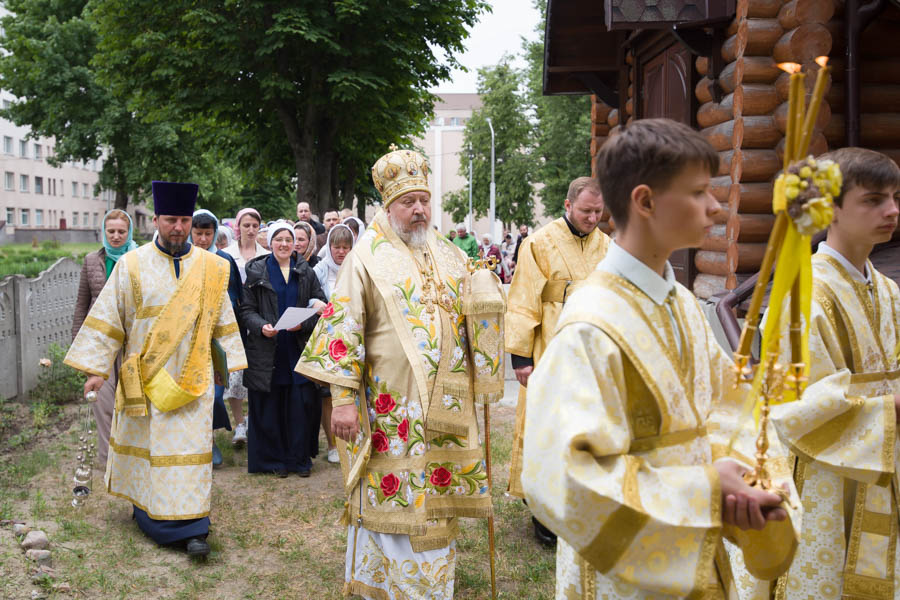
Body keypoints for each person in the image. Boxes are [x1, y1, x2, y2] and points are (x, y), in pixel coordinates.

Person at [522, 119, 798, 598]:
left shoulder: (684, 305)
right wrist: (707, 490)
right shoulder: (591, 325)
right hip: (626, 575)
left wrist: (746, 485)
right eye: (697, 192)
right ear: (645, 201)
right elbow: (563, 477)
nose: (715, 205)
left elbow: (730, 409)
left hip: (698, 550)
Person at [296, 146, 505, 598]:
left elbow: (473, 314)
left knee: (437, 501)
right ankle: (389, 585)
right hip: (390, 407)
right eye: (408, 202)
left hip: (446, 406)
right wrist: (345, 401)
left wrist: (486, 292)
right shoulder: (367, 256)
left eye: (424, 200)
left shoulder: (450, 254)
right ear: (389, 207)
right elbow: (343, 327)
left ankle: (431, 587)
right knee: (393, 496)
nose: (419, 210)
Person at [64, 181, 247, 557]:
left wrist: (225, 365)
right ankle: (150, 515)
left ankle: (195, 528)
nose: (177, 227)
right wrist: (96, 369)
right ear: (157, 221)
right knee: (151, 451)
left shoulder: (212, 268)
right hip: (146, 377)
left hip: (193, 376)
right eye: (170, 220)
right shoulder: (133, 264)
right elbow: (109, 317)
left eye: (183, 220)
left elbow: (221, 319)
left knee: (190, 453)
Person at [765, 148, 900, 599]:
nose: (892, 210)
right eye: (873, 200)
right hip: (822, 484)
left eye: (896, 197)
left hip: (886, 468)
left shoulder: (888, 290)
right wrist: (890, 407)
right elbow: (784, 410)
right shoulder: (801, 294)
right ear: (829, 208)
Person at [505, 176, 611, 546]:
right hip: (550, 348)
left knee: (586, 428)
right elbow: (521, 300)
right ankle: (544, 511)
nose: (593, 217)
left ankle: (581, 504)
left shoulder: (608, 246)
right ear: (568, 206)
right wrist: (521, 358)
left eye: (598, 211)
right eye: (586, 210)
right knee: (548, 428)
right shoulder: (539, 243)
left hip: (593, 356)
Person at [241, 221, 327, 477]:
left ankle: (299, 459)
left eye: (289, 240)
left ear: (295, 244)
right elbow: (246, 310)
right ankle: (273, 460)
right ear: (270, 243)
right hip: (268, 348)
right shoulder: (256, 270)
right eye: (279, 239)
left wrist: (303, 324)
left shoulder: (305, 271)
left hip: (296, 346)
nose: (284, 244)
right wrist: (260, 326)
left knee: (300, 407)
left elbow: (320, 305)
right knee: (270, 407)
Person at [71, 209, 139, 470]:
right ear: (103, 231)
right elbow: (82, 304)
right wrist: (79, 345)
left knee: (131, 402)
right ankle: (108, 460)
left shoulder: (138, 259)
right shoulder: (92, 260)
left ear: (129, 232)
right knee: (102, 402)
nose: (116, 236)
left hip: (130, 342)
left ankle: (132, 457)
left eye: (121, 231)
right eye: (111, 231)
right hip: (99, 343)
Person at [191, 209, 243, 467]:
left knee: (214, 392)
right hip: (189, 338)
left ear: (215, 235)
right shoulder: (183, 260)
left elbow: (235, 296)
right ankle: (205, 442)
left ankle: (209, 439)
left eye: (207, 234)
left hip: (216, 337)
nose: (201, 239)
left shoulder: (224, 260)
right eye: (198, 233)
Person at [223, 208, 269, 447]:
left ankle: (255, 419)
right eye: (246, 225)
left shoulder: (266, 254)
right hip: (234, 318)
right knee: (236, 373)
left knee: (257, 369)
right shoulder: (226, 254)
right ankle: (239, 422)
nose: (251, 230)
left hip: (260, 317)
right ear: (237, 227)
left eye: (255, 226)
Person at [312, 223, 355, 465]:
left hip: (354, 337)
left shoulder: (359, 268)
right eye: (336, 247)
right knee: (329, 395)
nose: (341, 252)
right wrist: (315, 302)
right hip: (329, 338)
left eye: (346, 247)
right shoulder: (320, 270)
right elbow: (310, 294)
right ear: (329, 247)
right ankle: (331, 443)